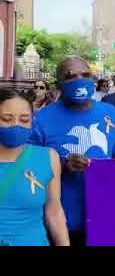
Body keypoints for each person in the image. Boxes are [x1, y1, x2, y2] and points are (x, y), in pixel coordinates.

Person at [30, 57, 115, 246]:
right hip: (62, 223)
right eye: (70, 76)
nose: (79, 80)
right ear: (58, 83)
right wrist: (63, 165)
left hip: (105, 216)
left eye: (85, 75)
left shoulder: (110, 112)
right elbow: (29, 170)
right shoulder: (41, 119)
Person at [0, 89, 69, 246]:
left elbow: (54, 210)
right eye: (6, 119)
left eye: (24, 120)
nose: (15, 125)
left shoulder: (48, 157)